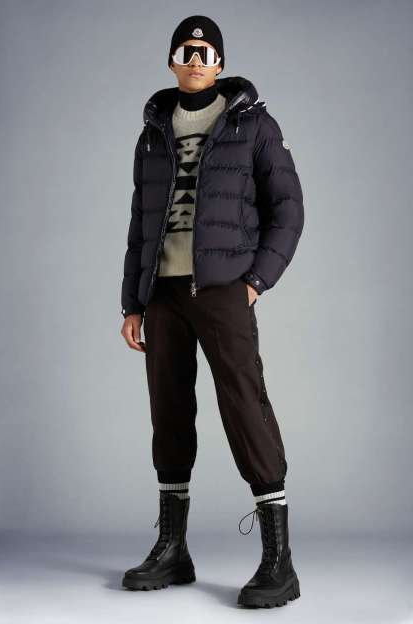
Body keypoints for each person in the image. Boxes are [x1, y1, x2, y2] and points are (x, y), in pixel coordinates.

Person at [119, 15, 304, 609]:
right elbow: (140, 223)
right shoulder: (154, 131)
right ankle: (173, 549)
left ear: (220, 62)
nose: (196, 60)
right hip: (162, 295)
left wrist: (256, 281)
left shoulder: (254, 124)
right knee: (169, 413)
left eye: (206, 52)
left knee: (245, 407)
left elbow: (289, 210)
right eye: (186, 50)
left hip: (224, 289)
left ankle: (279, 562)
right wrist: (133, 302)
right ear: (172, 61)